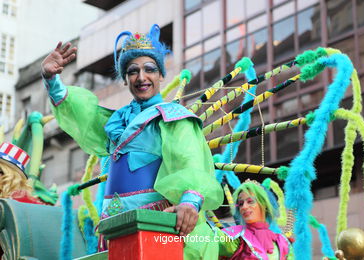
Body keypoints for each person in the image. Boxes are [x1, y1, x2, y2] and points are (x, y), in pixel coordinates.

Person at [41, 24, 223, 259]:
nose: (141, 77)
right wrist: (51, 78)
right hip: (114, 224)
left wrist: (189, 202)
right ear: (125, 80)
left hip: (155, 221)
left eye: (149, 69)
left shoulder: (173, 117)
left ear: (160, 75)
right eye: (132, 71)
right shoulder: (115, 121)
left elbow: (190, 161)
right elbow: (82, 114)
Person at [217, 180, 293, 259]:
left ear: (264, 204)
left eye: (250, 201)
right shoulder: (235, 236)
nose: (244, 207)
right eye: (240, 204)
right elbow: (207, 239)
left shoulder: (283, 241)